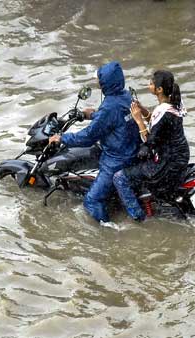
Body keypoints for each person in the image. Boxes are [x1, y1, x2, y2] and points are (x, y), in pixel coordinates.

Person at [49, 61, 140, 223]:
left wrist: (62, 138)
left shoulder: (109, 107)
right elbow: (115, 119)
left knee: (92, 201)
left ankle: (108, 233)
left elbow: (88, 137)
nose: (98, 83)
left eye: (100, 80)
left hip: (116, 160)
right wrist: (92, 115)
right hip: (132, 151)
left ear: (106, 82)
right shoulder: (125, 96)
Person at [112, 70, 189, 221]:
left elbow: (149, 145)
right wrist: (142, 109)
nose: (149, 85)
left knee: (119, 177)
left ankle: (138, 218)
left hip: (166, 163)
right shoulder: (173, 105)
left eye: (151, 83)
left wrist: (138, 120)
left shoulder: (163, 111)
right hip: (180, 157)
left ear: (159, 90)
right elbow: (158, 127)